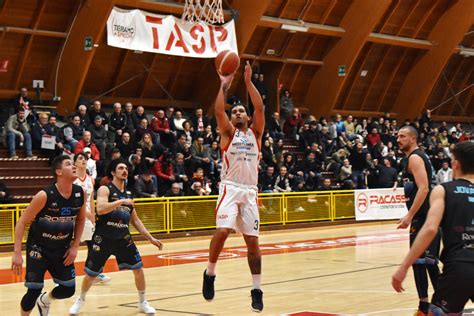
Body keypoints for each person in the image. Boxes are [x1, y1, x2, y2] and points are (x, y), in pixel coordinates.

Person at [202, 61, 265, 312]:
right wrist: (222, 85)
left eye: (241, 111)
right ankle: (210, 273)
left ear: (247, 117)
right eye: (235, 111)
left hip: (250, 191)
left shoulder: (256, 134)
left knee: (253, 243)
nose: (237, 113)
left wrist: (249, 82)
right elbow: (219, 112)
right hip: (230, 188)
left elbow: (260, 106)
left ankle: (257, 289)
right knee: (223, 231)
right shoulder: (228, 134)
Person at [69, 159, 163, 315]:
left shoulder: (128, 194)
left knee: (138, 269)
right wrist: (120, 202)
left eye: (126, 168)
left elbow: (135, 220)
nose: (124, 170)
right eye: (120, 168)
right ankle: (81, 300)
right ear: (113, 172)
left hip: (123, 239)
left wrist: (150, 238)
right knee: (91, 274)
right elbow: (100, 209)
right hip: (103, 238)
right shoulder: (105, 189)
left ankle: (142, 302)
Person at [392, 142, 474, 315]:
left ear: (455, 164)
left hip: (460, 266)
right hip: (461, 265)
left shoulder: (443, 190)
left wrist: (404, 267)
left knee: (437, 312)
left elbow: (430, 229)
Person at [11, 155, 86, 315]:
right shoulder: (44, 195)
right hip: (38, 248)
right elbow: (21, 222)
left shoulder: (80, 193)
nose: (74, 166)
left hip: (62, 248)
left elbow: (80, 220)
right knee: (33, 292)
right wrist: (17, 252)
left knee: (68, 289)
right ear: (58, 172)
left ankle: (45, 301)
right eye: (68, 164)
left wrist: (75, 246)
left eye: (74, 164)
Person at [397, 125, 440, 315]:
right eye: (398, 136)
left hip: (423, 217)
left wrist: (410, 215)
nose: (398, 139)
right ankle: (436, 305)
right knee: (428, 263)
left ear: (412, 139)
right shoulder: (417, 157)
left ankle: (429, 307)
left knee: (422, 262)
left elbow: (423, 188)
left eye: (402, 136)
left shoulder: (415, 158)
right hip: (428, 215)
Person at [73, 153, 111, 284]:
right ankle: (62, 275)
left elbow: (90, 200)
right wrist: (85, 213)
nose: (83, 160)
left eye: (85, 158)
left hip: (88, 217)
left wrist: (93, 217)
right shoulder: (71, 179)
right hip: (74, 217)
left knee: (94, 245)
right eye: (80, 158)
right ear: (75, 163)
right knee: (70, 247)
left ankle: (94, 273)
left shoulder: (90, 179)